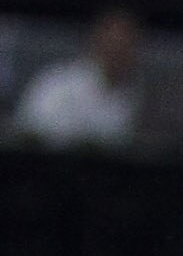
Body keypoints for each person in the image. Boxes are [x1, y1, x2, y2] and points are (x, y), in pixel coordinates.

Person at [14, 11, 140, 152]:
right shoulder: (57, 84)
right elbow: (32, 136)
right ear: (96, 43)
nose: (118, 54)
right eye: (113, 44)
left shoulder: (131, 98)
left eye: (127, 46)